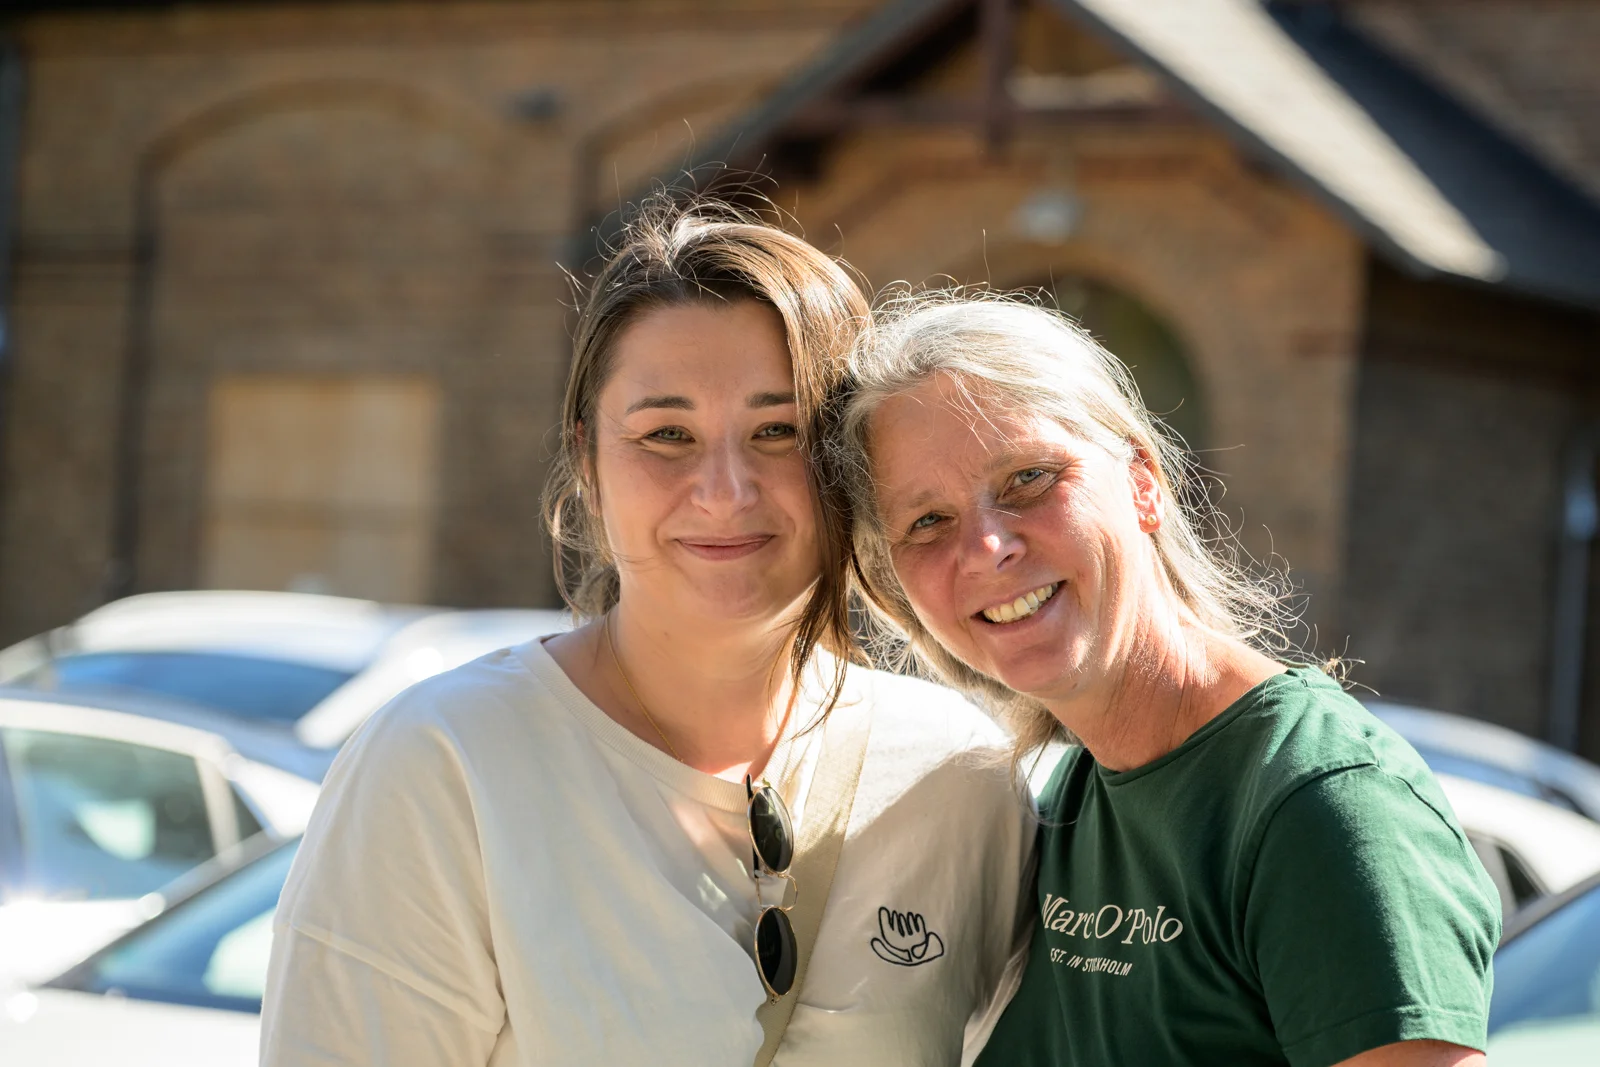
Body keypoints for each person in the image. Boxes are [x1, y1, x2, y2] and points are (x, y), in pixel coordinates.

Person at [258, 208, 1030, 1067]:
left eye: (779, 431)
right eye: (667, 435)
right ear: (587, 460)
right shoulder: (445, 763)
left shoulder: (957, 776)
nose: (727, 489)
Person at [833, 294, 1501, 1067]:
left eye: (1027, 478)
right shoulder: (1065, 800)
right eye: (927, 522)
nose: (986, 547)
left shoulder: (1321, 802)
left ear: (1144, 481)